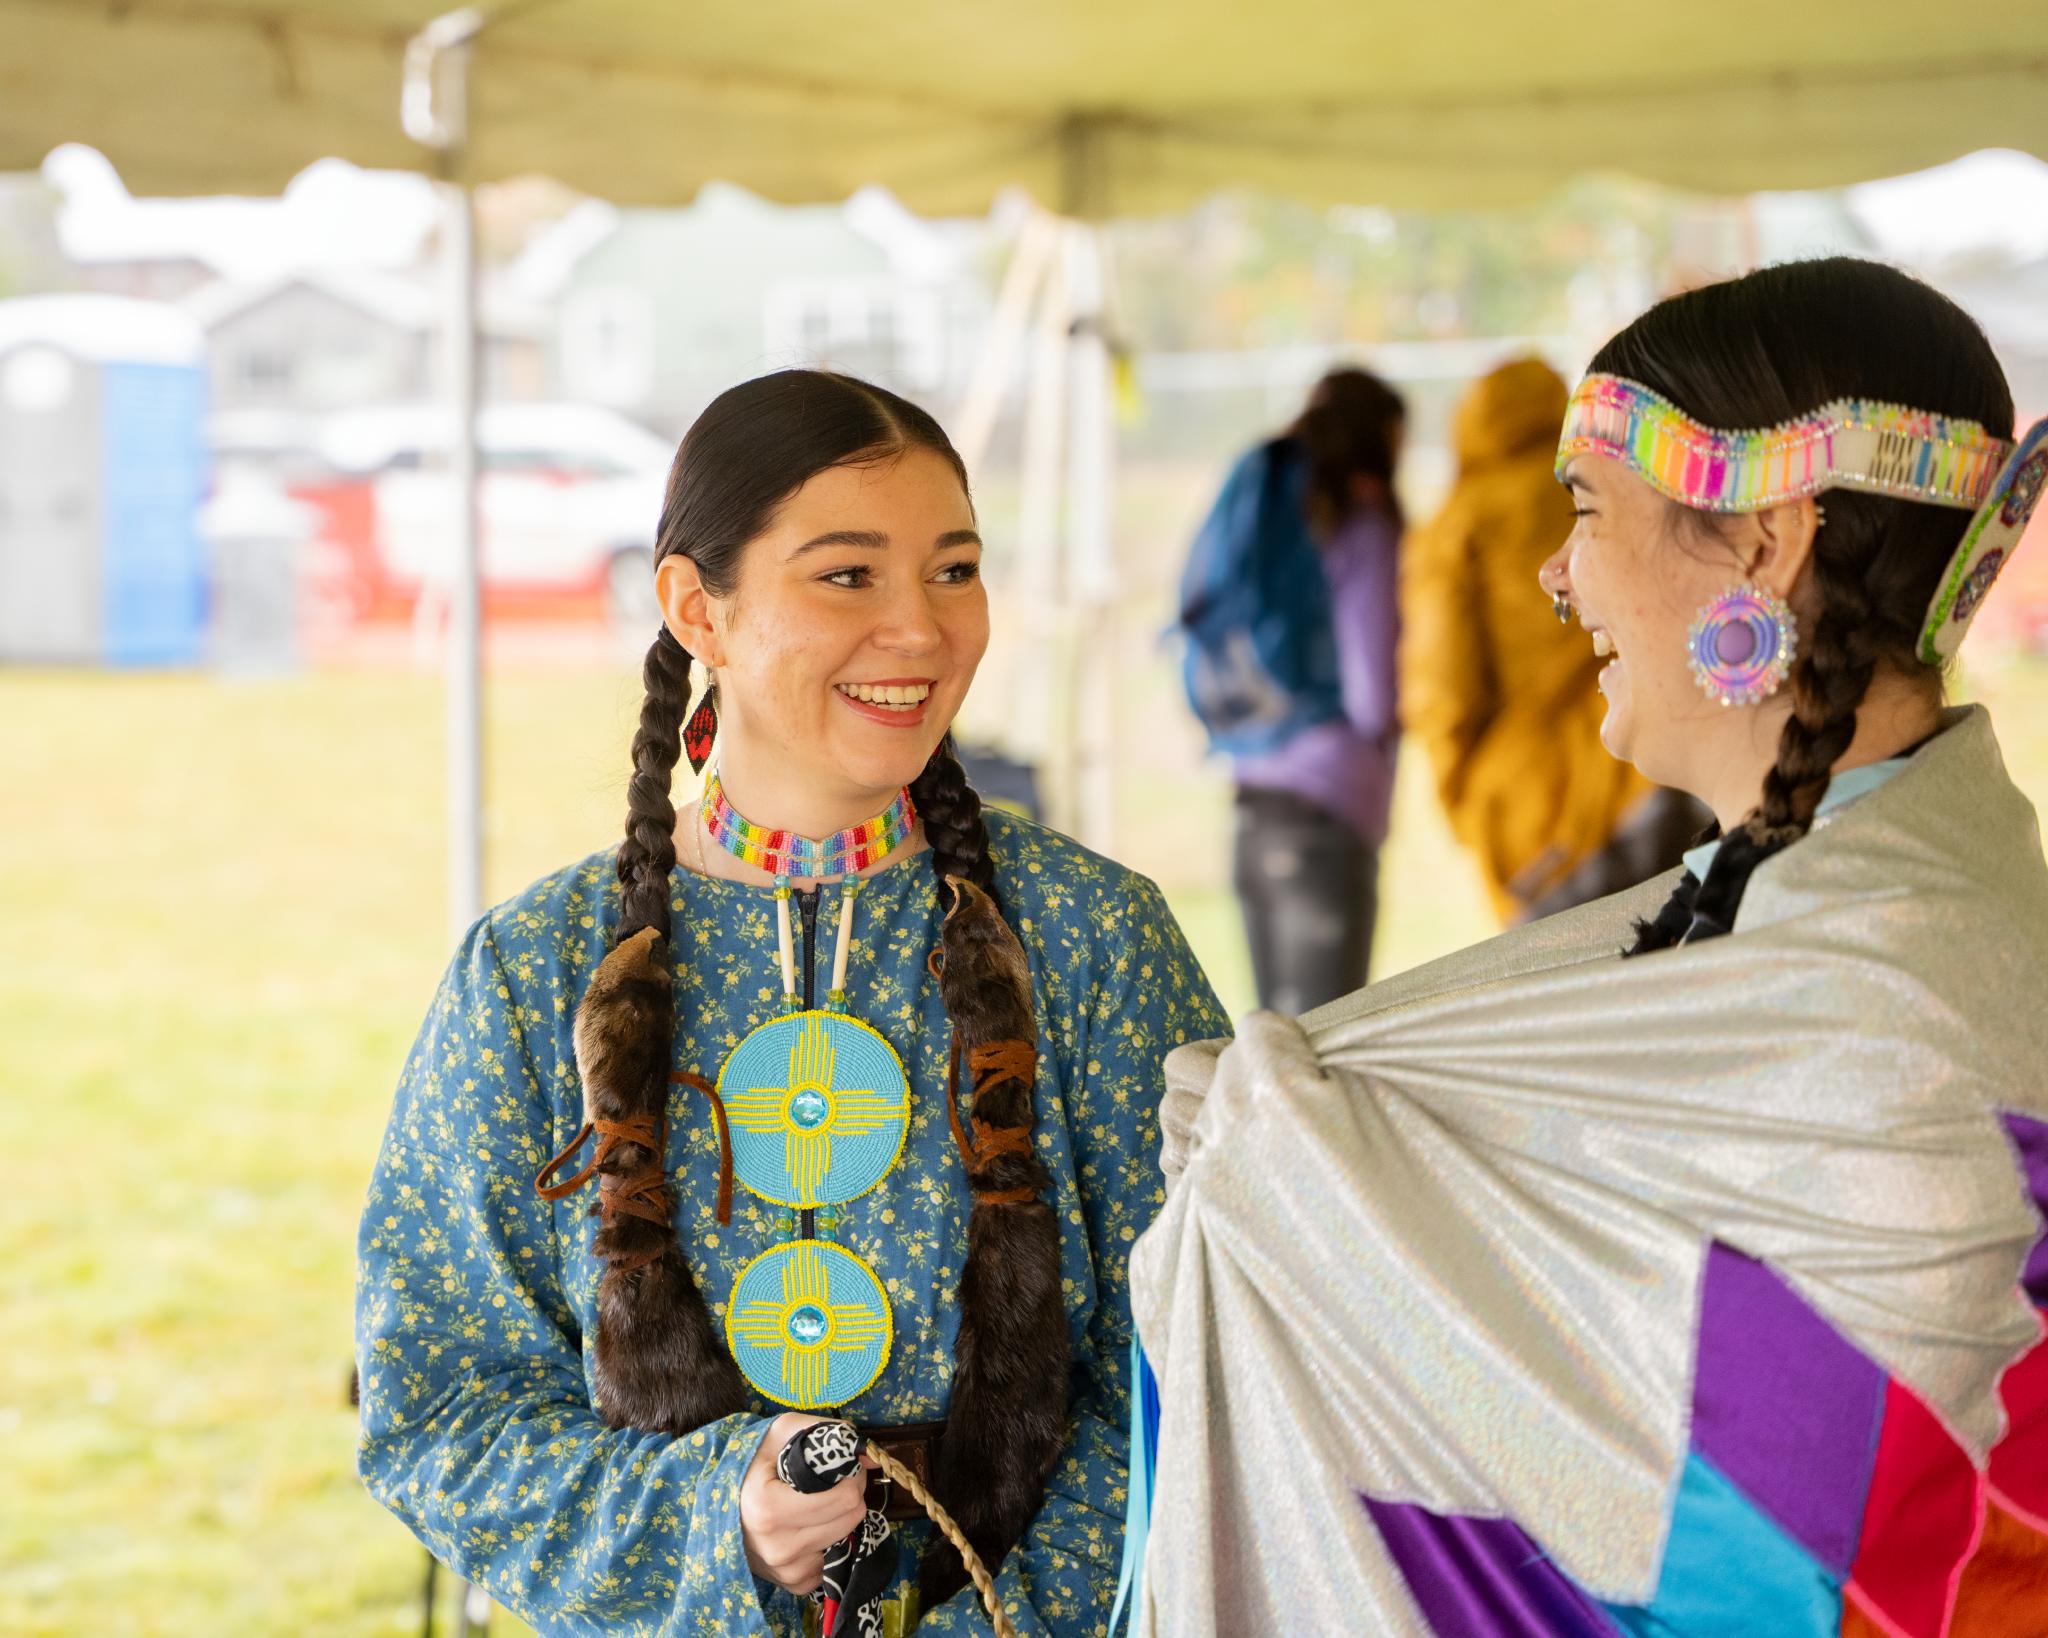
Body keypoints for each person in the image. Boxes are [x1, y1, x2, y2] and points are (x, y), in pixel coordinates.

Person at [1122, 259, 2048, 1636]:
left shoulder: (1885, 995)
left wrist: (1298, 1184)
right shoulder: (1841, 912)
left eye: (1586, 510)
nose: (1557, 575)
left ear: (1760, 540)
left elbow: (1782, 1528)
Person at [355, 370, 1227, 1637]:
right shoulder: (532, 973)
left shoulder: (1094, 937)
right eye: (847, 575)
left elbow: (1200, 1355)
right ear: (693, 607)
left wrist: (1002, 1621)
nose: (921, 632)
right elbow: (441, 1409)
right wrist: (728, 1521)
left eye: (953, 569)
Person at [1402, 356, 1707, 922]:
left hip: (1537, 808)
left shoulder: (1455, 528)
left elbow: (1441, 692)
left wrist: (1469, 802)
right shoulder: (1607, 489)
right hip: (1649, 770)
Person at [1180, 367, 1405, 1013]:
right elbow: (1373, 695)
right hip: (1329, 814)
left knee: (1277, 1045)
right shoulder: (1360, 525)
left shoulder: (1268, 513)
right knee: (1323, 1047)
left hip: (1254, 805)